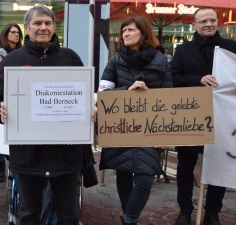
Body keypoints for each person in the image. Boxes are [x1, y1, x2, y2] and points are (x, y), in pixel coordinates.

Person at [0, 6, 96, 225]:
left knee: (68, 215)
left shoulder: (70, 57)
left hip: (65, 154)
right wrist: (0, 110)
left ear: (54, 27)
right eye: (37, 23)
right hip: (27, 154)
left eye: (48, 23)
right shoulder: (12, 61)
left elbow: (84, 96)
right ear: (27, 28)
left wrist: (91, 110)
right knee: (29, 215)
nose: (43, 27)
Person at [98, 16, 172, 225]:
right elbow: (103, 95)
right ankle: (126, 212)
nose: (125, 34)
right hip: (121, 128)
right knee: (123, 174)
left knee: (145, 178)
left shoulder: (161, 62)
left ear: (144, 33)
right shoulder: (115, 61)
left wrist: (164, 133)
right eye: (124, 31)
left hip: (150, 130)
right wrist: (126, 91)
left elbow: (169, 98)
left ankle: (130, 219)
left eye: (130, 30)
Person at [171, 7, 236, 225]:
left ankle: (213, 211)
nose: (208, 24)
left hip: (223, 118)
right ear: (194, 25)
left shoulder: (232, 48)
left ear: (218, 22)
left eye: (212, 20)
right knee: (185, 165)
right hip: (191, 117)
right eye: (203, 21)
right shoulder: (183, 50)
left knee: (218, 165)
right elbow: (174, 78)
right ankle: (185, 210)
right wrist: (198, 80)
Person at [0, 22, 23, 183]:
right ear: (5, 34)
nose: (16, 35)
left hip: (19, 93)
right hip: (3, 93)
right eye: (12, 32)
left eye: (18, 32)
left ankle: (13, 167)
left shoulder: (23, 52)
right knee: (2, 137)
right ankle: (0, 167)